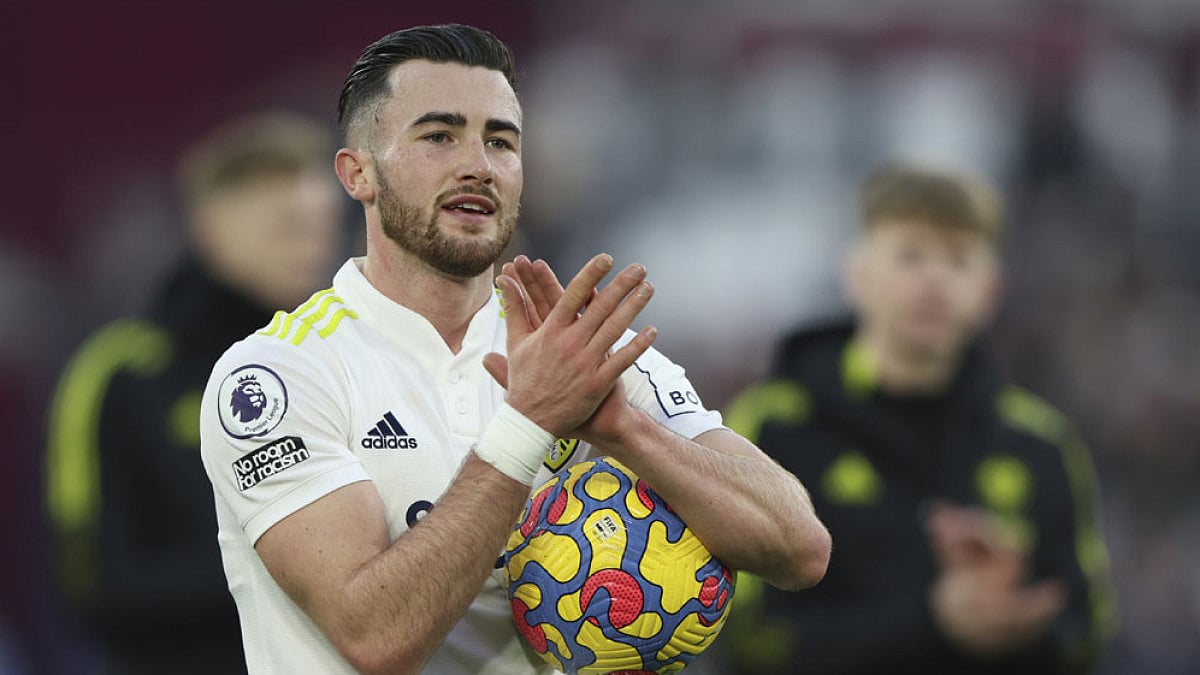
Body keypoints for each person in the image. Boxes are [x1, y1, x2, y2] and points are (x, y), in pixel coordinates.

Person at [197, 23, 832, 675]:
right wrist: (528, 421)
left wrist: (627, 430)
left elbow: (799, 549)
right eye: (439, 135)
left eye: (500, 140)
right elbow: (375, 637)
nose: (478, 163)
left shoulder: (577, 349)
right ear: (358, 173)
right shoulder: (277, 374)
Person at [718, 162, 1119, 674]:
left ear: (990, 291)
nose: (934, 279)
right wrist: (933, 622)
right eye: (910, 255)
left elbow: (1089, 638)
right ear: (857, 276)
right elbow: (745, 639)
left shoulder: (1042, 444)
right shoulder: (775, 425)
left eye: (957, 259)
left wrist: (1014, 622)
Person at [45, 111, 344, 674]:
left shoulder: (344, 361)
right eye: (286, 226)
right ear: (213, 228)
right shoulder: (123, 374)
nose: (311, 247)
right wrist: (287, 567)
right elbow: (94, 582)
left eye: (321, 226)